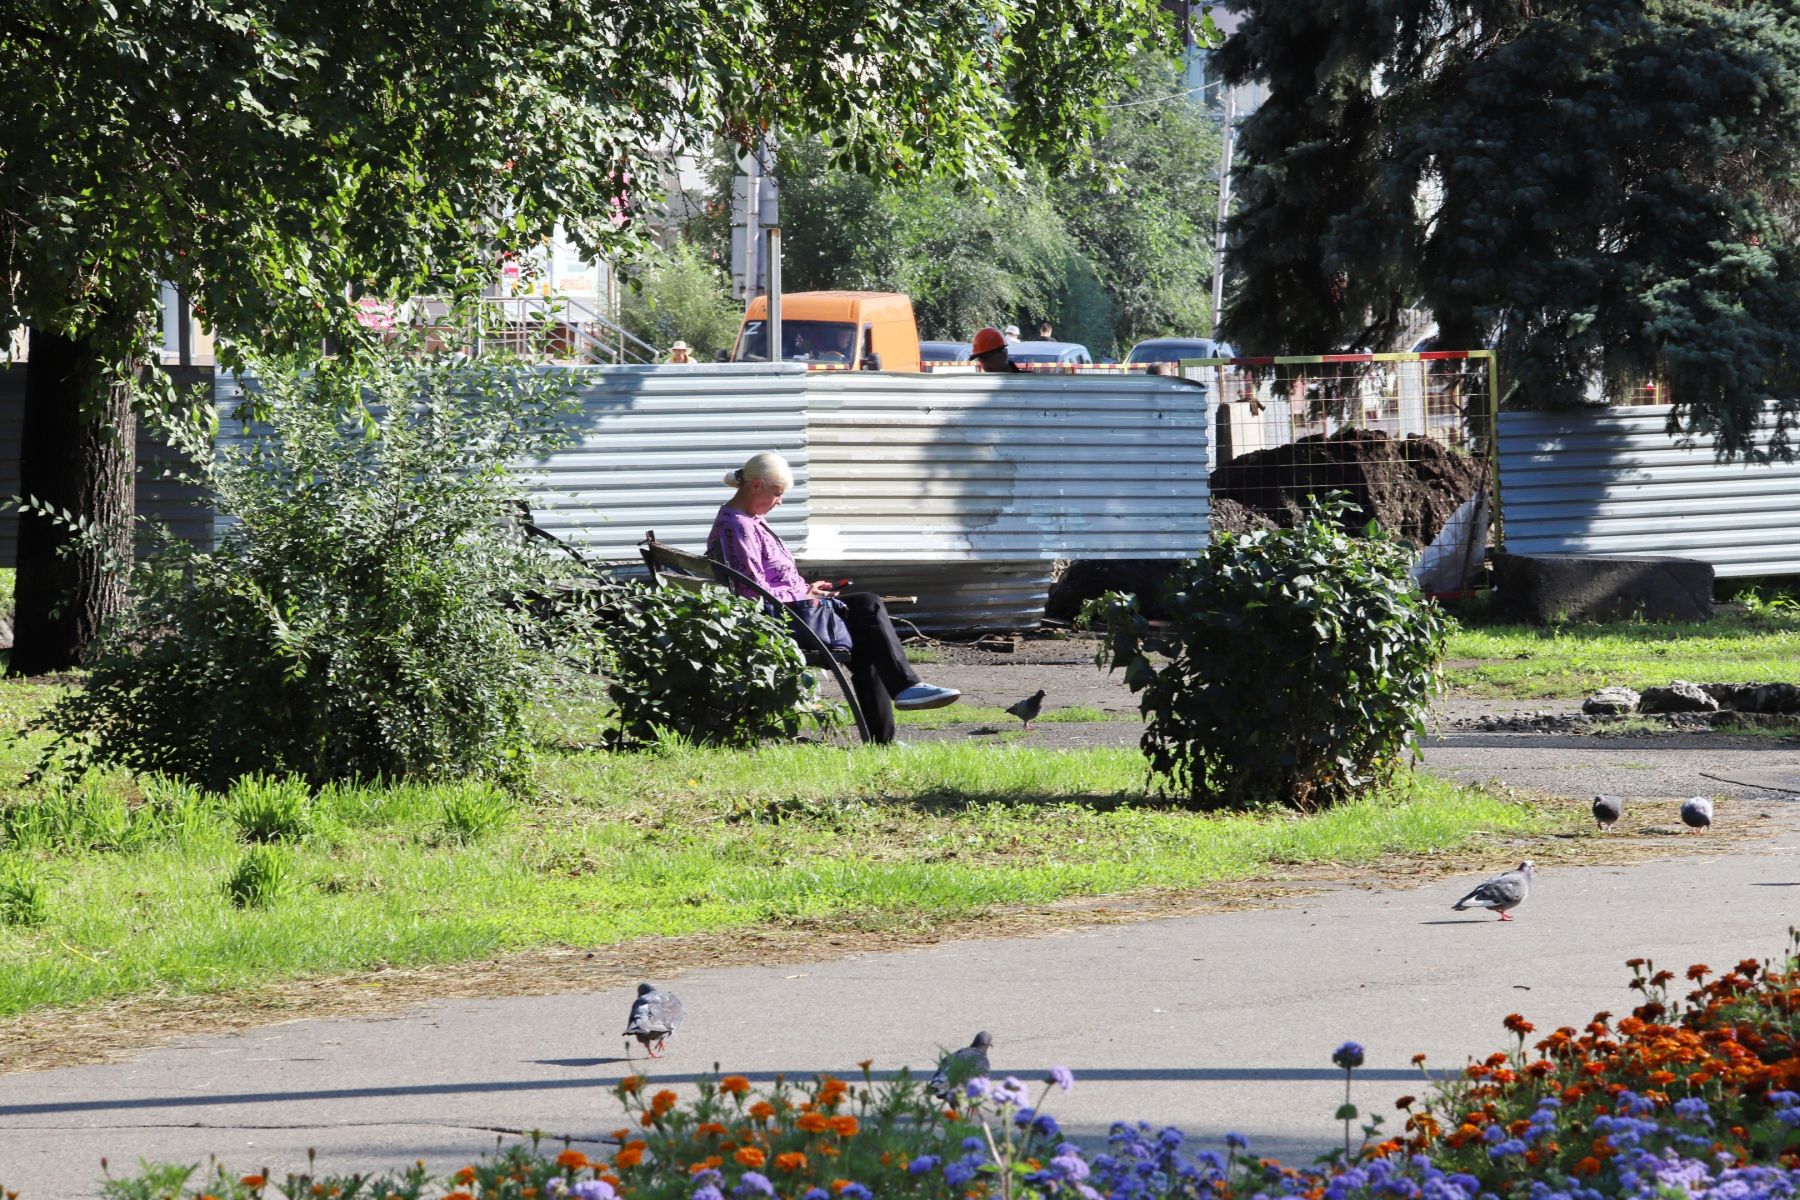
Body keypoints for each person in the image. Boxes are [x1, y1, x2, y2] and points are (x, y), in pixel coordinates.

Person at [708, 453, 960, 743]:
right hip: (780, 623)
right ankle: (906, 689)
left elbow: (766, 581)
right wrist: (802, 593)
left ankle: (885, 737)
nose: (779, 502)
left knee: (868, 643)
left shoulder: (746, 520)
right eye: (777, 494)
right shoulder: (738, 525)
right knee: (868, 604)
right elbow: (752, 591)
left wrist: (807, 589)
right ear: (755, 486)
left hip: (792, 613)